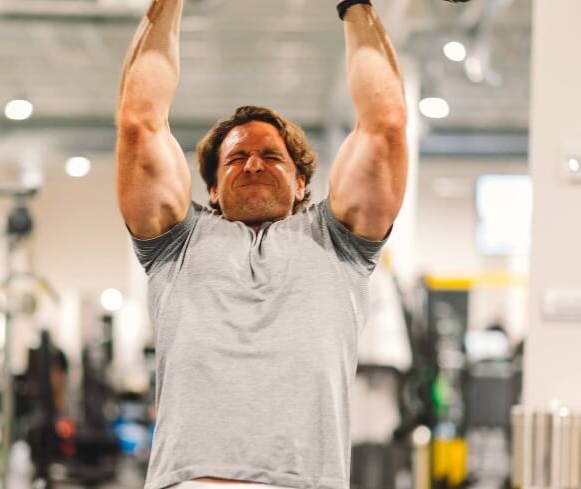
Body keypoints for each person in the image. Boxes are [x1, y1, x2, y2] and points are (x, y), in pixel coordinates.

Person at [116, 1, 408, 488]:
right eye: (236, 159)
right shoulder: (176, 243)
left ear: (301, 183)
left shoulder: (340, 243)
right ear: (211, 187)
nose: (253, 165)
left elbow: (386, 125)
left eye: (272, 156)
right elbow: (138, 121)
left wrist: (355, 6)